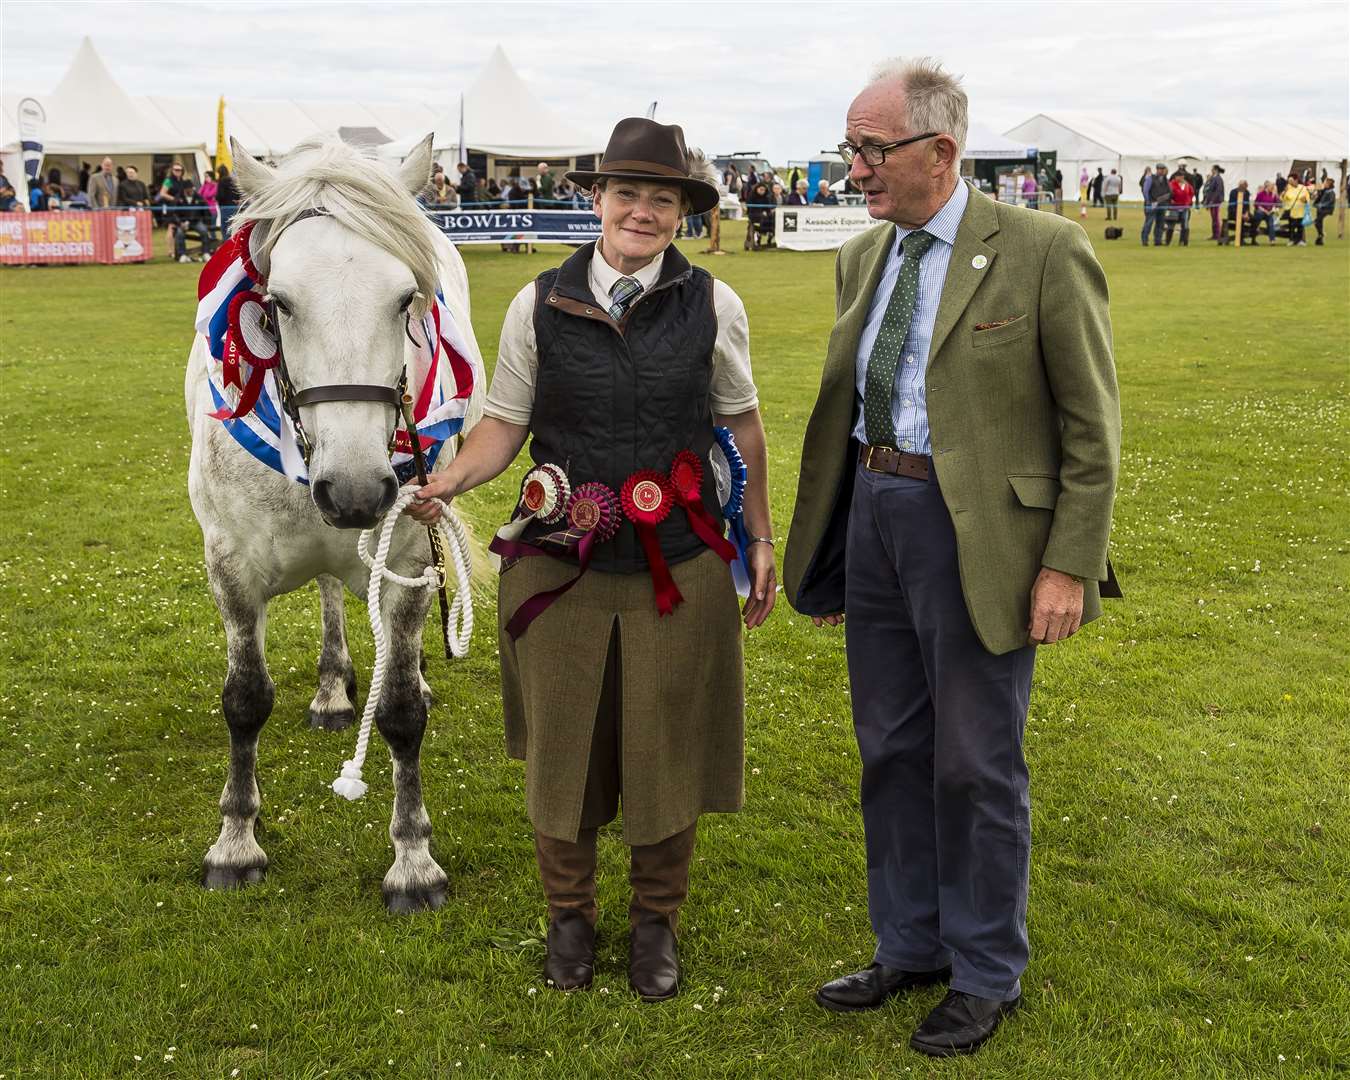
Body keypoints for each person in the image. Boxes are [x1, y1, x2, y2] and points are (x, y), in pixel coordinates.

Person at [783, 56, 1120, 1059]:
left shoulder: (1044, 250)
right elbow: (849, 414)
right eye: (850, 148)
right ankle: (910, 944)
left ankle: (984, 970)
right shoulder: (864, 256)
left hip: (984, 539)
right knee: (889, 747)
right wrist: (844, 547)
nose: (855, 170)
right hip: (879, 519)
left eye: (871, 149)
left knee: (975, 760)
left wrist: (1066, 564)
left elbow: (1091, 429)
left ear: (942, 149)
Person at [409, 117, 775, 1003]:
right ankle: (570, 917)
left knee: (667, 749)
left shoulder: (714, 304)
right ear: (598, 201)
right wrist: (447, 482)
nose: (641, 213)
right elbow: (503, 423)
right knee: (561, 752)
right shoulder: (536, 302)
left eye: (662, 198)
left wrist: (759, 538)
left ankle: (658, 925)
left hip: (680, 561)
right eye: (627, 194)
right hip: (558, 565)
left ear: (682, 212)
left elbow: (742, 425)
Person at [1142, 162, 1170, 246]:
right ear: (1157, 170)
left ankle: (1158, 240)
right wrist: (1149, 202)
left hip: (1162, 204)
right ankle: (1145, 240)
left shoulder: (1166, 180)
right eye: (1160, 169)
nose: (1161, 171)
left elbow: (1169, 191)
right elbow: (1145, 191)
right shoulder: (1150, 178)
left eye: (1163, 169)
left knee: (1160, 224)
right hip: (1152, 204)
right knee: (1149, 223)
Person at [1281, 173, 1310, 245]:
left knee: (1300, 226)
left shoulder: (1302, 188)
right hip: (1291, 210)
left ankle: (1300, 240)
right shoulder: (1288, 187)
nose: (1290, 183)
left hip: (1300, 210)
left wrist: (1305, 200)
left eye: (1291, 181)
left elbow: (1307, 198)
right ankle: (1291, 240)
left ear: (1296, 180)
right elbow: (1282, 198)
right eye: (1289, 181)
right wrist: (1284, 193)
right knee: (1292, 226)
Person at [1166, 168, 1194, 245]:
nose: (1181, 178)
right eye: (1180, 176)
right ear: (1176, 177)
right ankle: (1168, 241)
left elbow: (1191, 193)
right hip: (1174, 207)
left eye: (1182, 176)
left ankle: (1183, 241)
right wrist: (1170, 200)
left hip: (1185, 207)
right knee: (1171, 225)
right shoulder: (1171, 184)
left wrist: (1189, 201)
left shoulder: (1187, 185)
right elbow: (1168, 194)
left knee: (1185, 224)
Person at [1201, 165, 1225, 240]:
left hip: (1215, 201)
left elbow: (1218, 191)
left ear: (1216, 170)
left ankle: (1217, 235)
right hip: (1212, 201)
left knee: (1216, 218)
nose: (1211, 170)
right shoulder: (1213, 178)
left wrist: (1212, 201)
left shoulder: (1218, 178)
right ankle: (1215, 234)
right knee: (1213, 218)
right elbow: (1209, 190)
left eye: (1212, 169)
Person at [1313, 176, 1336, 245]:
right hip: (1320, 209)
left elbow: (1331, 201)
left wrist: (1322, 205)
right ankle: (1320, 239)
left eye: (1325, 182)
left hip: (1326, 209)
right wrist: (1316, 203)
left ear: (1329, 184)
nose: (1324, 183)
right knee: (1319, 223)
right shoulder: (1324, 190)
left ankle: (1321, 234)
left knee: (1316, 221)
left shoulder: (1331, 192)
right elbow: (1319, 198)